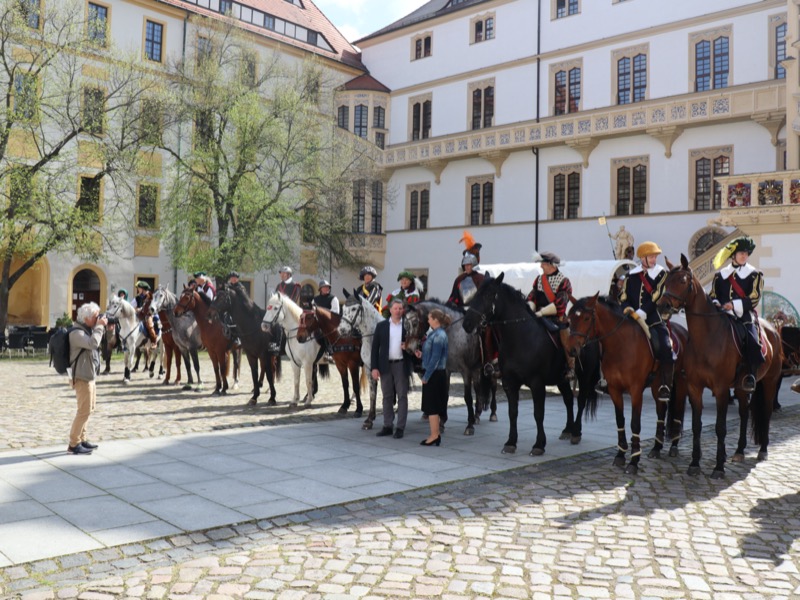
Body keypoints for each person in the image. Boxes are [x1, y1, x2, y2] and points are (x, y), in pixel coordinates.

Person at [619, 241, 673, 399]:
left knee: (665, 346)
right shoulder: (631, 275)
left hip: (653, 318)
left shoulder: (661, 273)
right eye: (651, 256)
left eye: (655, 256)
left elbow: (657, 296)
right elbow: (623, 296)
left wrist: (642, 312)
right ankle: (608, 379)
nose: (654, 259)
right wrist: (628, 309)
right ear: (642, 258)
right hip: (631, 318)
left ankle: (664, 384)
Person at [710, 235, 765, 392]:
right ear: (733, 255)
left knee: (753, 342)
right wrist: (717, 304)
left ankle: (751, 375)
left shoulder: (755, 274)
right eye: (741, 253)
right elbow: (713, 295)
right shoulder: (720, 275)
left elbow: (754, 298)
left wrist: (733, 305)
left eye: (746, 253)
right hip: (721, 315)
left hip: (744, 315)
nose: (744, 256)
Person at [526, 252, 575, 381]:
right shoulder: (539, 279)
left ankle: (571, 366)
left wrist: (542, 312)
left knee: (565, 336)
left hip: (556, 318)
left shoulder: (564, 281)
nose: (541, 266)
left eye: (543, 263)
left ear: (551, 265)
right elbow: (532, 296)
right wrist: (531, 310)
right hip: (538, 316)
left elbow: (560, 305)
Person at [67, 302, 107, 455]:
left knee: (89, 409)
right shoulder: (77, 333)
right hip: (81, 377)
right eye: (96, 317)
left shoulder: (86, 330)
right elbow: (94, 343)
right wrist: (100, 326)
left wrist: (102, 327)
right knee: (83, 411)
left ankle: (81, 439)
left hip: (88, 375)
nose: (98, 319)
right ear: (87, 318)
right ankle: (73, 444)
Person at [371, 297, 413, 439]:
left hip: (401, 364)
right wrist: (374, 368)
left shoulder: (407, 326)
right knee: (387, 396)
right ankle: (388, 425)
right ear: (390, 310)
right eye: (395, 308)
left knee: (402, 396)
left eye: (400, 308)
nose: (398, 311)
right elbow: (375, 348)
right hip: (385, 366)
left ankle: (400, 427)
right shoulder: (382, 326)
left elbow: (415, 344)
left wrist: (408, 346)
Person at [414, 308, 450, 446]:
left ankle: (435, 435)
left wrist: (426, 376)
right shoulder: (434, 334)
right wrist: (422, 355)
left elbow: (436, 359)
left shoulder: (439, 335)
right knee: (431, 406)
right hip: (433, 373)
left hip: (435, 375)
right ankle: (435, 434)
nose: (427, 320)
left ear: (435, 320)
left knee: (432, 407)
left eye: (429, 318)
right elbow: (432, 356)